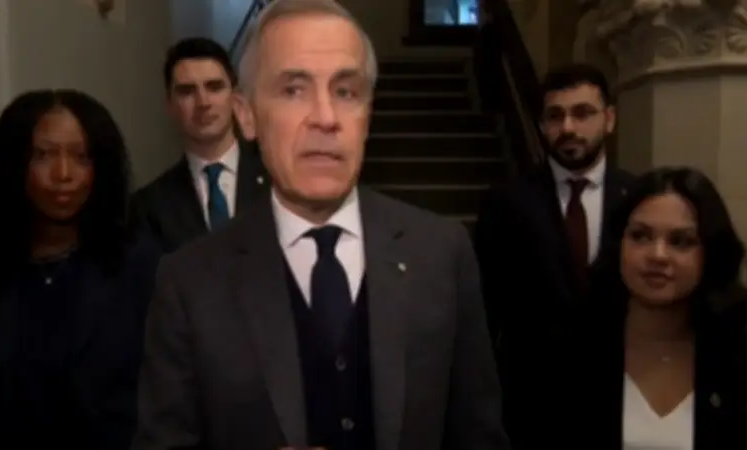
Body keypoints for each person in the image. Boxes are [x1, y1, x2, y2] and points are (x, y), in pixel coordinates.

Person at [132, 0, 509, 449]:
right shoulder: (189, 281)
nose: (326, 118)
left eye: (346, 92)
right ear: (247, 115)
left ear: (368, 113)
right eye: (294, 90)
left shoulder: (442, 254)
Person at [0, 89, 161, 449]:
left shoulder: (140, 264)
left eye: (81, 157)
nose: (63, 174)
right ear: (15, 164)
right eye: (43, 155)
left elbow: (165, 403)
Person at [471, 63, 634, 445]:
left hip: (619, 402)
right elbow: (484, 310)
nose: (568, 128)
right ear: (542, 125)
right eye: (555, 116)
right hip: (530, 408)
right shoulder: (505, 202)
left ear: (609, 119)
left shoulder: (638, 198)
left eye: (583, 113)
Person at [546, 167, 747, 449]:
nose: (657, 255)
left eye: (680, 241)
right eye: (640, 236)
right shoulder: (570, 346)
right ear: (618, 244)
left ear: (711, 252)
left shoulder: (737, 346)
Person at [131, 37, 269, 252]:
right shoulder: (148, 206)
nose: (203, 102)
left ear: (235, 98)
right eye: (187, 91)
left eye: (214, 87)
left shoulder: (278, 177)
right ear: (170, 105)